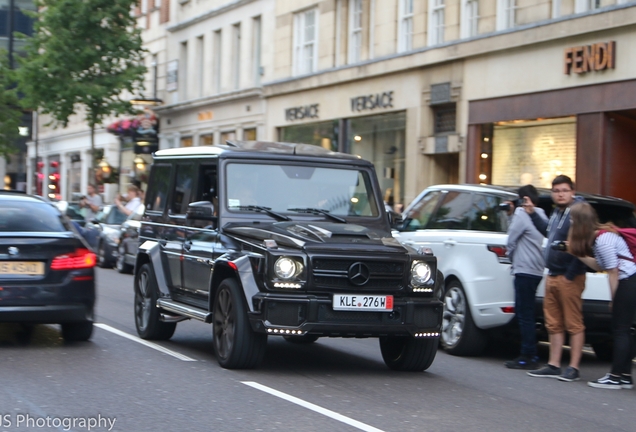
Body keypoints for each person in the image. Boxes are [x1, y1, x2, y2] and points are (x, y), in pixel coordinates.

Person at [524, 175, 587, 382]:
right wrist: (532, 214)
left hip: (569, 276)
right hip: (552, 274)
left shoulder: (578, 212)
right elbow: (548, 232)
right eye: (556, 191)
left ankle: (573, 368)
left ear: (572, 192)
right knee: (553, 324)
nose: (560, 194)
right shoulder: (557, 212)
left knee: (574, 324)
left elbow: (582, 246)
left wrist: (570, 275)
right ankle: (554, 364)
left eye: (564, 190)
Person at [567, 202, 636, 390]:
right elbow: (599, 265)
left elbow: (613, 271)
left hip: (628, 281)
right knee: (625, 329)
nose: (570, 224)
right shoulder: (601, 237)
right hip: (630, 280)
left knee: (620, 329)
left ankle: (615, 377)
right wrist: (574, 252)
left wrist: (614, 299)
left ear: (579, 223)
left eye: (572, 220)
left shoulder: (604, 240)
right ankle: (624, 376)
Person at [504, 185, 548, 369]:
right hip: (537, 270)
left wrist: (511, 256)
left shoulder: (522, 214)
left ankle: (527, 355)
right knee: (528, 313)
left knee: (524, 315)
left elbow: (511, 239)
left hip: (524, 269)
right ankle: (529, 353)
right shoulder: (542, 214)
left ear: (523, 199)